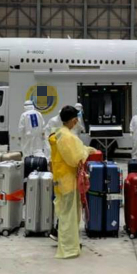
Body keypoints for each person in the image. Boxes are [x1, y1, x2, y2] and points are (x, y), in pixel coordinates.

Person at [48, 105, 94, 259]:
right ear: (74, 120)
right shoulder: (67, 137)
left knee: (66, 214)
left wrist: (85, 149)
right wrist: (86, 151)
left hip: (61, 178)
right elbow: (75, 159)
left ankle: (70, 245)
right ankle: (68, 248)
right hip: (68, 180)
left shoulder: (59, 133)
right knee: (69, 216)